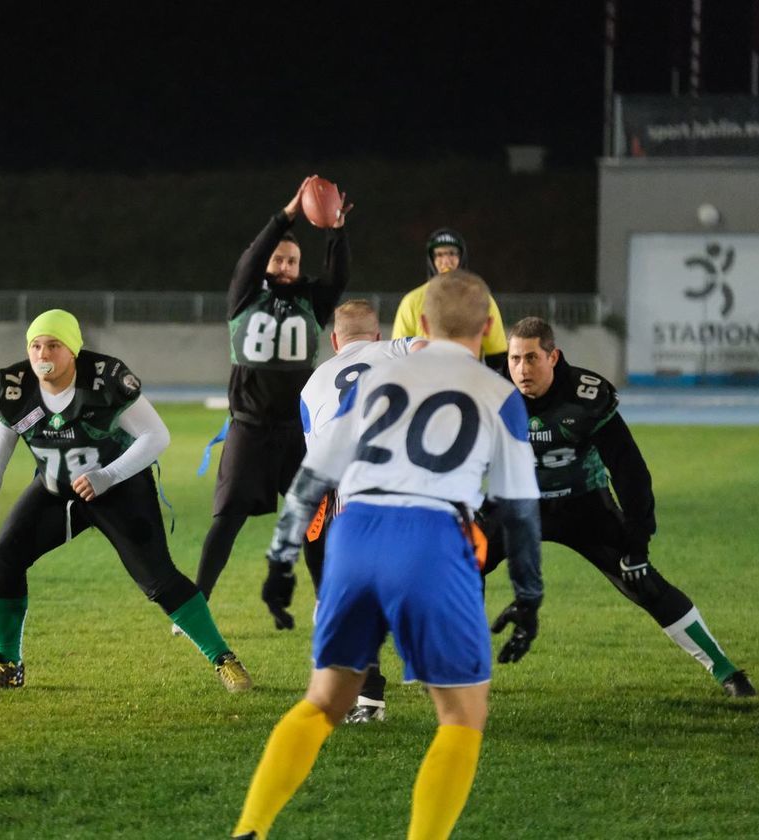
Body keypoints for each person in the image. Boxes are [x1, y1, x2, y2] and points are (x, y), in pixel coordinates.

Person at [231, 270, 545, 840]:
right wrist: (529, 596)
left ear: (421, 324)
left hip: (354, 534)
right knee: (461, 716)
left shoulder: (373, 381)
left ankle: (250, 828)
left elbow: (310, 477)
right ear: (489, 327)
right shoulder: (499, 395)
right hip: (431, 538)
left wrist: (280, 560)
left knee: (323, 701)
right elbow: (521, 511)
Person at [0, 309, 252, 692]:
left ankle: (223, 659)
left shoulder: (104, 379)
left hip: (119, 486)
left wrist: (107, 476)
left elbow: (156, 436)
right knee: (5, 557)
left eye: (53, 344)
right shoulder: (14, 388)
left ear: (74, 350)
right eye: (35, 345)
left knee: (159, 579)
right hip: (55, 487)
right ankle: (8, 664)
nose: (42, 354)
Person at [486, 316, 756, 697]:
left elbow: (629, 470)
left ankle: (728, 672)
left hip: (581, 504)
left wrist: (637, 541)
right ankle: (457, 670)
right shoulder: (489, 391)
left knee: (641, 581)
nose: (521, 369)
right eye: (514, 359)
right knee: (459, 564)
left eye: (532, 358)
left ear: (554, 357)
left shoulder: (584, 396)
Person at [195, 175, 352, 612]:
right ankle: (195, 603)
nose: (285, 267)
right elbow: (250, 257)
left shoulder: (310, 301)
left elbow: (338, 276)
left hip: (297, 434)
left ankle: (325, 603)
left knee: (314, 522)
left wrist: (336, 231)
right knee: (226, 520)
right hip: (249, 428)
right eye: (279, 259)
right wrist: (284, 216)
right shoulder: (244, 297)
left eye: (292, 261)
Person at [262, 298, 423, 723]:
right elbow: (435, 352)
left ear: (334, 341)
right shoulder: (396, 349)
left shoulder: (312, 384)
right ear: (377, 334)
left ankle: (368, 696)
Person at [391, 228, 508, 371]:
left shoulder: (481, 298)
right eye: (439, 255)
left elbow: (497, 358)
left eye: (452, 254)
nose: (446, 261)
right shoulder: (411, 301)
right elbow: (398, 354)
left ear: (462, 257)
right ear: (431, 260)